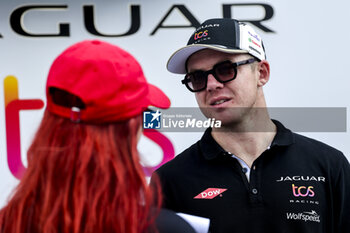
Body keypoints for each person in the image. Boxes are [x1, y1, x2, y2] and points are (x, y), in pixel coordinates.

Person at [152, 18, 350, 233]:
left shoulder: (328, 164)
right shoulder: (169, 180)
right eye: (198, 77)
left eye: (226, 69)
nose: (211, 85)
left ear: (262, 73)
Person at [0, 40, 200, 233]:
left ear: (50, 124)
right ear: (129, 132)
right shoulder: (163, 228)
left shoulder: (7, 223)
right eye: (143, 112)